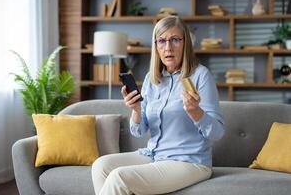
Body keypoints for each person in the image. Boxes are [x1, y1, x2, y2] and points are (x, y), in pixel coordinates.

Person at [92, 15, 225, 195]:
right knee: (101, 166)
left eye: (175, 40)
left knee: (119, 177)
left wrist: (196, 112)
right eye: (161, 41)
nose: (168, 47)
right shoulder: (152, 79)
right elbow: (139, 130)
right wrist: (136, 110)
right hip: (155, 154)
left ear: (186, 43)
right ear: (156, 46)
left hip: (189, 161)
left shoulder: (201, 76)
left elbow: (217, 133)